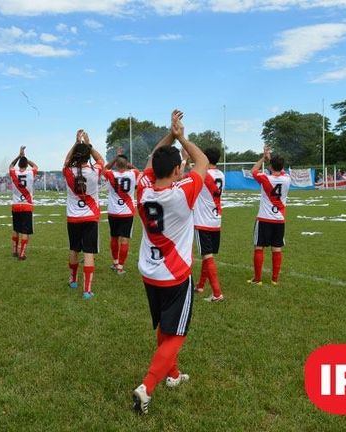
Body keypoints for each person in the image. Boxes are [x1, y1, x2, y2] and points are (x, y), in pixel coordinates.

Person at [132, 110, 208, 415]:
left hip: (149, 271)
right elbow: (202, 162)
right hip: (175, 274)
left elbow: (152, 159)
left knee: (165, 325)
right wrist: (181, 136)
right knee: (177, 334)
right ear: (177, 169)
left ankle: (173, 374)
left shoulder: (142, 189)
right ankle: (147, 386)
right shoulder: (183, 193)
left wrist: (169, 136)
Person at [63, 129, 105, 299]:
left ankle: (73, 280)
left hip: (73, 218)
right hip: (90, 217)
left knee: (74, 248)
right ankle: (87, 290)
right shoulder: (95, 171)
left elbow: (66, 160)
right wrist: (88, 144)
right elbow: (101, 159)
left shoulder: (68, 171)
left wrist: (76, 143)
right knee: (88, 252)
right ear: (88, 156)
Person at [247, 145, 291, 286]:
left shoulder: (265, 178)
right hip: (279, 219)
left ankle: (258, 279)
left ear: (270, 167)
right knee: (277, 248)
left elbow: (253, 170)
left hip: (264, 218)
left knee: (259, 247)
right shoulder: (287, 179)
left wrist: (263, 157)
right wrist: (271, 160)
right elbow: (279, 170)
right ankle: (274, 279)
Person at [192, 147, 225, 302]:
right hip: (216, 219)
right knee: (208, 255)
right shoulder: (221, 175)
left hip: (203, 220)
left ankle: (217, 293)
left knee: (207, 255)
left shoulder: (203, 174)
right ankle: (200, 285)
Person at [102, 148, 139, 275]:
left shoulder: (112, 174)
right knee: (125, 239)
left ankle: (115, 262)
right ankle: (120, 267)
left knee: (114, 237)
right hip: (127, 212)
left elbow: (104, 169)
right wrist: (127, 163)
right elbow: (135, 169)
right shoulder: (133, 173)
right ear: (127, 164)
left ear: (116, 165)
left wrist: (115, 159)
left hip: (113, 211)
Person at [9, 146, 39, 260]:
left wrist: (19, 156)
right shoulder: (31, 172)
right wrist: (25, 157)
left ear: (19, 165)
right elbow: (36, 166)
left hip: (16, 205)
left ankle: (14, 251)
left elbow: (11, 165)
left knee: (16, 229)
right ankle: (22, 253)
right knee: (25, 230)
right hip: (27, 205)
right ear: (26, 165)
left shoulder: (14, 172)